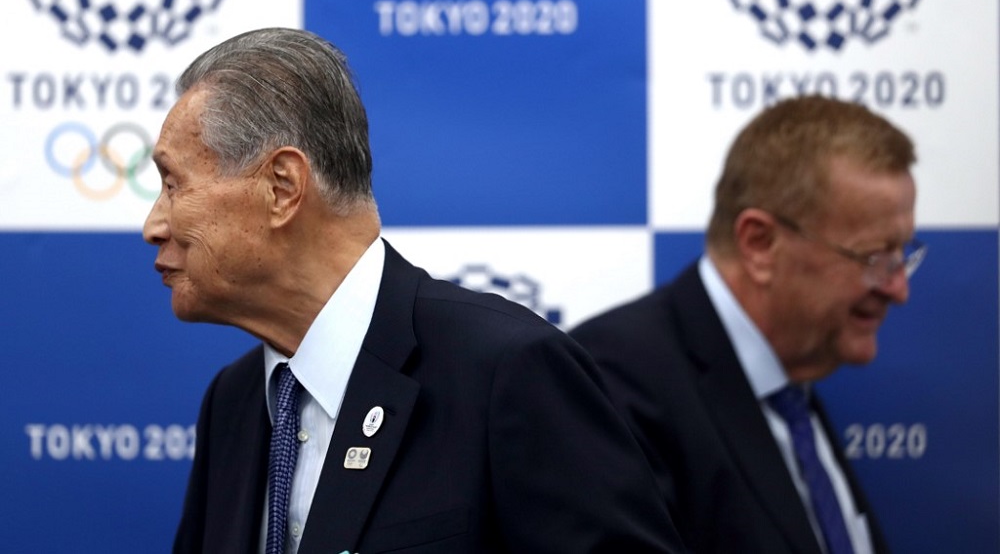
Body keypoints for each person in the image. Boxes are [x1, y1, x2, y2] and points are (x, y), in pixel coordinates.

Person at [144, 27, 686, 554]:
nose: (154, 224)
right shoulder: (235, 401)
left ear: (282, 188)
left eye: (173, 185)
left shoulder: (507, 372)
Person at [571, 96, 923, 554]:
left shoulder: (791, 386)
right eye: (874, 257)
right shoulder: (610, 385)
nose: (899, 289)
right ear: (759, 244)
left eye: (903, 257)